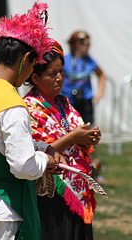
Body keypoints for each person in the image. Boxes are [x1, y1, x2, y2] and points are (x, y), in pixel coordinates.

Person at [0, 2, 67, 240]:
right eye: (34, 64)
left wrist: (41, 147)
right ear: (25, 59)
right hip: (2, 211)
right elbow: (23, 166)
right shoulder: (11, 103)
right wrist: (45, 160)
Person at [23, 40, 102, 240]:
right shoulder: (29, 108)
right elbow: (37, 152)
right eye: (52, 74)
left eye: (61, 72)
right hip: (51, 191)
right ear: (35, 77)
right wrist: (74, 137)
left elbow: (76, 133)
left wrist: (89, 138)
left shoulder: (64, 103)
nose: (59, 78)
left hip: (78, 189)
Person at [62, 31, 105, 176]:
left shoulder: (90, 61)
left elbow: (101, 74)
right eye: (85, 43)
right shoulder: (65, 60)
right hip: (69, 102)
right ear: (75, 44)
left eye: (88, 43)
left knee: (90, 134)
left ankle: (94, 168)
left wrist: (99, 94)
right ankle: (71, 165)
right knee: (70, 133)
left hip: (86, 102)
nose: (88, 47)